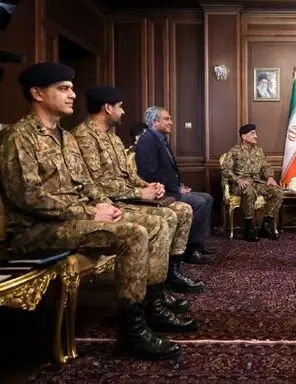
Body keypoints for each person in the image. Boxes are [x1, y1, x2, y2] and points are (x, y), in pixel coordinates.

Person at [0, 62, 194, 360]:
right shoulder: (19, 137)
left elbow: (88, 183)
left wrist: (104, 204)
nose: (72, 95)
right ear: (37, 94)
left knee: (153, 224)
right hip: (36, 229)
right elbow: (30, 198)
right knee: (134, 234)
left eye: (72, 88)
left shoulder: (65, 137)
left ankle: (151, 306)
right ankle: (132, 331)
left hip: (70, 219)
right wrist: (89, 212)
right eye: (63, 89)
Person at [71, 85, 205, 294]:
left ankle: (171, 274)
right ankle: (154, 292)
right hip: (107, 202)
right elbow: (98, 183)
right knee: (166, 218)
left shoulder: (113, 138)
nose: (123, 111)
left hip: (124, 197)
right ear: (108, 108)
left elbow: (128, 174)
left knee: (183, 210)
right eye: (120, 106)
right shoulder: (83, 137)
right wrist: (140, 193)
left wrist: (147, 186)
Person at [135, 106, 216, 262]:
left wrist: (180, 186)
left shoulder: (160, 139)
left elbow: (167, 171)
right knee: (199, 202)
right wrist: (176, 189)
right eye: (167, 119)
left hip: (171, 189)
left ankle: (198, 244)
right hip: (160, 192)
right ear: (155, 122)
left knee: (207, 198)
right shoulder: (147, 141)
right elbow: (150, 174)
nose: (171, 122)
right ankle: (190, 250)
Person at [221, 124, 283, 241]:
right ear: (244, 136)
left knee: (277, 192)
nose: (256, 136)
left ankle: (265, 226)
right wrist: (237, 179)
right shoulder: (234, 151)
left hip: (257, 182)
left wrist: (270, 177)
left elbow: (265, 166)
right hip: (241, 183)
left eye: (255, 133)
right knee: (249, 192)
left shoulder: (259, 151)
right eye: (252, 133)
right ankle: (249, 228)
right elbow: (225, 169)